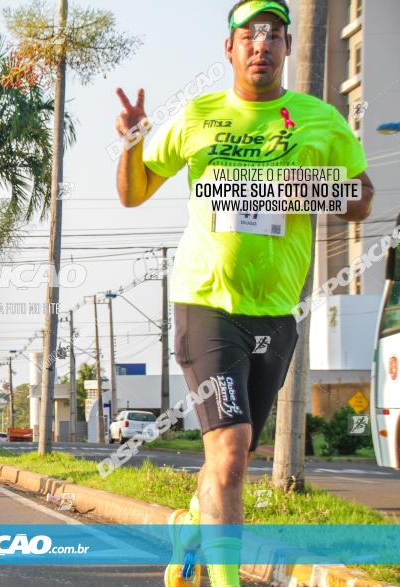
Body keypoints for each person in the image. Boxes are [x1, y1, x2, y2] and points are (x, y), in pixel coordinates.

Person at [114, 2, 374, 586]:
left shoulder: (320, 120)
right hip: (205, 303)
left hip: (276, 312)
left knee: (231, 457)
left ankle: (189, 527)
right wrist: (133, 141)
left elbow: (361, 200)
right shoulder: (199, 115)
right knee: (230, 450)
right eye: (248, 36)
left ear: (285, 48)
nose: (261, 45)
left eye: (273, 36)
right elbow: (133, 194)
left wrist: (295, 187)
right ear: (228, 49)